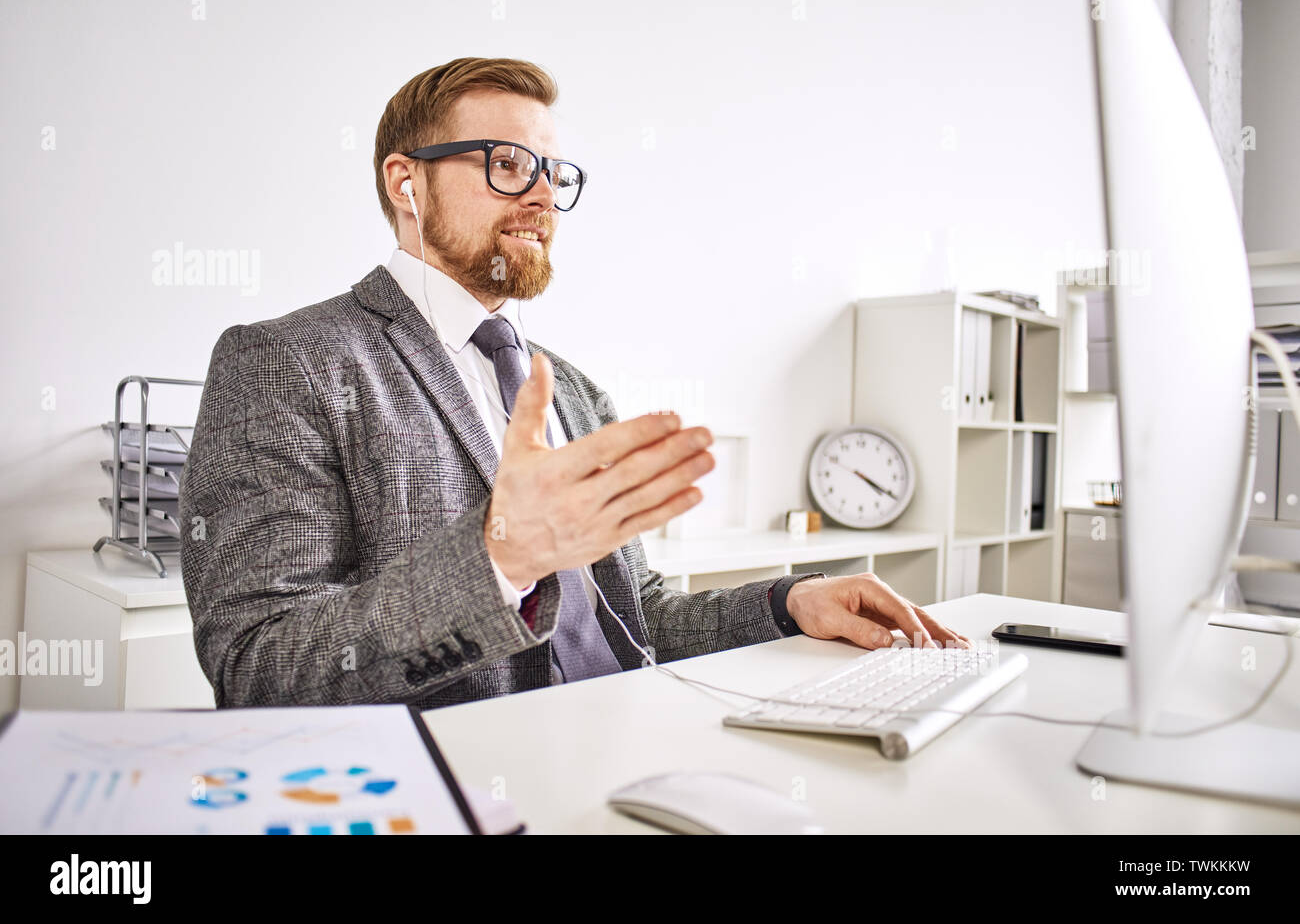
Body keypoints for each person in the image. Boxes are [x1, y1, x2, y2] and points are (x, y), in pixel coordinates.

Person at [178, 57, 969, 709]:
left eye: (553, 172)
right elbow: (258, 670)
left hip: (637, 737)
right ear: (405, 183)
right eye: (508, 163)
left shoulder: (572, 391)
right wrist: (502, 558)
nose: (542, 195)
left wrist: (787, 604)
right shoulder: (285, 363)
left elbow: (639, 615)